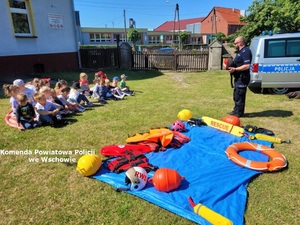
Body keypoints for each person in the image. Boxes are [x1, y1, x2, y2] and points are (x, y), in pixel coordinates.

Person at [227, 36, 252, 118]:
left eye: (236, 43)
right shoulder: (240, 52)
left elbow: (247, 66)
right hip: (238, 77)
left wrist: (235, 69)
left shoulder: (246, 51)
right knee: (236, 95)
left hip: (243, 77)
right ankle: (236, 110)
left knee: (240, 95)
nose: (235, 45)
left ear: (240, 43)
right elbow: (237, 63)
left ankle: (239, 113)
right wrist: (230, 66)